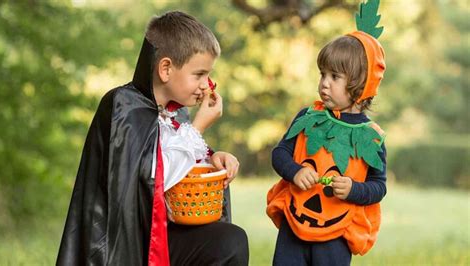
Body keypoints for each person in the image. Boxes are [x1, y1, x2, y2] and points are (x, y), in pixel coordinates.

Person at [57, 11, 248, 266]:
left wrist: (212, 158)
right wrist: (198, 128)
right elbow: (151, 179)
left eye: (208, 75)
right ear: (166, 68)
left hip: (165, 232)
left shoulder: (176, 111)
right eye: (199, 74)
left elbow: (179, 172)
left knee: (229, 241)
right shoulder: (122, 106)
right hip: (128, 242)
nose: (207, 84)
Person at [266, 30, 387, 266]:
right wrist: (295, 171)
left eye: (334, 76)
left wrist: (354, 189)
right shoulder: (308, 117)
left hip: (336, 232)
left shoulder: (371, 137)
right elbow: (279, 154)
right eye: (322, 74)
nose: (324, 83)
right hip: (295, 223)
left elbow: (379, 186)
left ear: (360, 85)